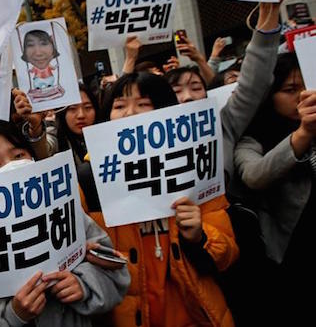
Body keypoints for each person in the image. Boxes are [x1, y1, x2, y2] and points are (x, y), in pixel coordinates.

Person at [87, 73, 238, 326]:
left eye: (144, 104)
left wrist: (200, 237)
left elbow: (229, 255)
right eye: (120, 106)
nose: (130, 114)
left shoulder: (195, 169)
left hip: (197, 315)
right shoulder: (89, 181)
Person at [0, 119, 129, 326]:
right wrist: (13, 314)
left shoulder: (65, 211)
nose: (12, 167)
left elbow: (117, 274)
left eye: (19, 155)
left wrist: (84, 285)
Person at [234, 52, 313, 321]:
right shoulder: (252, 136)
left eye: (307, 85)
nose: (302, 95)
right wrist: (303, 134)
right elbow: (256, 175)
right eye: (290, 89)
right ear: (269, 95)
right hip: (291, 257)